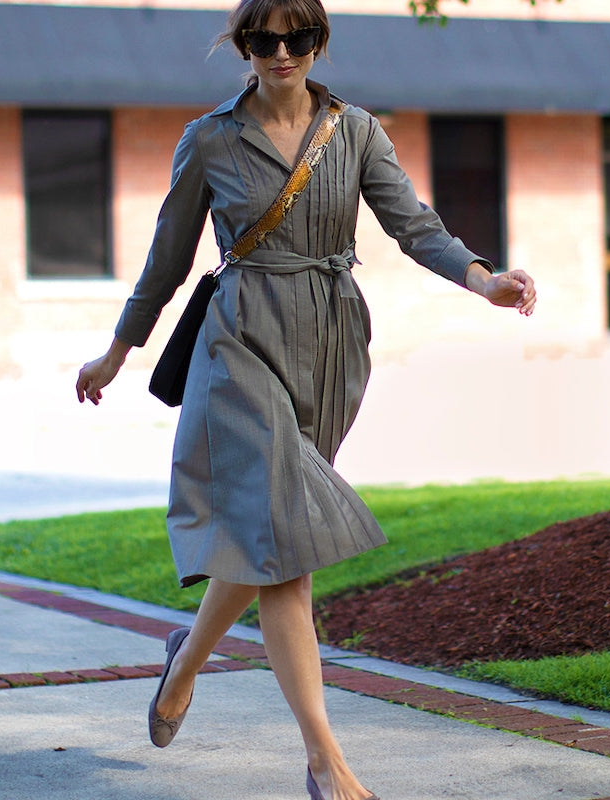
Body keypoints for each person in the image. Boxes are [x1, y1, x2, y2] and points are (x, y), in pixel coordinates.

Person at [75, 1, 537, 798]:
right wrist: (118, 351)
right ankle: (326, 760)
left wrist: (484, 279)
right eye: (262, 40)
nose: (280, 52)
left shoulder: (355, 132)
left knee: (269, 537)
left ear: (319, 42)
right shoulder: (211, 139)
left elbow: (413, 225)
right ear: (243, 47)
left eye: (297, 38)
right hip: (239, 343)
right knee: (287, 552)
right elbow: (166, 260)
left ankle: (185, 660)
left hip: (329, 346)